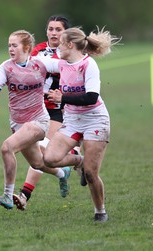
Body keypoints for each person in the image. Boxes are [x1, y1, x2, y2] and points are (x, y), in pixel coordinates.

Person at [0, 30, 83, 210]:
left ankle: (7, 195)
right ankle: (69, 168)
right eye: (9, 45)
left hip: (39, 121)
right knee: (38, 163)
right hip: (18, 125)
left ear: (26, 47)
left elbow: (67, 64)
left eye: (14, 45)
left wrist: (82, 59)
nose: (11, 49)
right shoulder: (6, 67)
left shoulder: (41, 63)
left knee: (7, 148)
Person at [44, 26, 121, 222]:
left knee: (91, 173)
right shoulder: (61, 63)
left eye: (61, 43)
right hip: (72, 120)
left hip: (95, 119)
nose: (57, 47)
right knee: (50, 159)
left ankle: (100, 211)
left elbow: (91, 97)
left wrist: (63, 98)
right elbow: (38, 62)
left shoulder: (89, 65)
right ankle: (78, 160)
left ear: (70, 45)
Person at [13, 15, 78, 211]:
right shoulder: (38, 49)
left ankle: (24, 196)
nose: (54, 33)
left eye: (58, 29)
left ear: (65, 33)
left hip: (59, 110)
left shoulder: (68, 53)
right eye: (51, 29)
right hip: (36, 108)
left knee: (44, 149)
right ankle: (65, 168)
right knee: (38, 155)